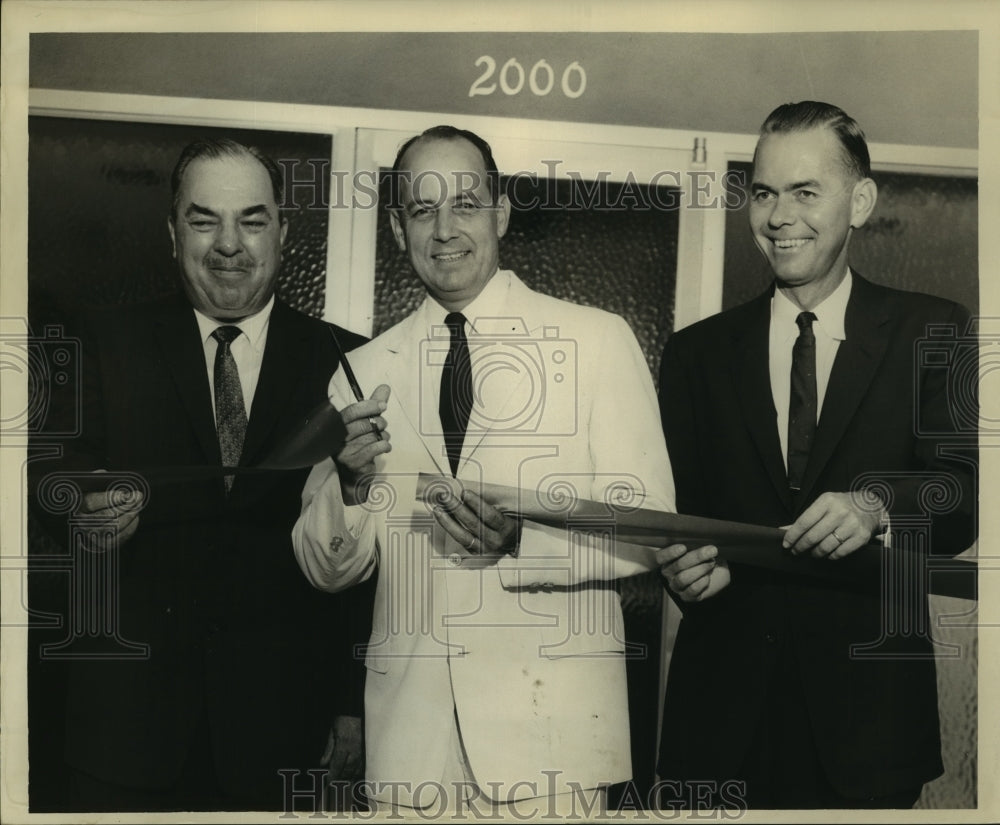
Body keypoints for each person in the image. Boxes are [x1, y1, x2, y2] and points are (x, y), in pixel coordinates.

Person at [292, 125, 676, 815]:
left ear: (501, 212)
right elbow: (325, 567)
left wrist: (521, 542)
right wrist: (349, 489)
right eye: (421, 208)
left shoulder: (596, 339)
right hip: (412, 750)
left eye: (465, 203)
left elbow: (649, 527)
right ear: (396, 225)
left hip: (551, 743)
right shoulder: (363, 370)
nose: (445, 230)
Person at [655, 101, 976, 809]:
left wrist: (877, 503)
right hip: (722, 725)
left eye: (806, 192)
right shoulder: (693, 355)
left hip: (869, 730)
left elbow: (961, 503)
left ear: (860, 201)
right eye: (764, 193)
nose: (778, 216)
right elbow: (678, 521)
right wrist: (678, 568)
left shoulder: (934, 329)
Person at [32, 138, 370, 811]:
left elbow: (361, 551)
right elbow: (47, 477)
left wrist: (348, 701)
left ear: (283, 230)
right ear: (171, 231)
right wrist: (81, 508)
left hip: (280, 731)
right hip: (121, 733)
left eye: (251, 219)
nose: (229, 245)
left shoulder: (344, 359)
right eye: (203, 219)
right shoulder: (98, 341)